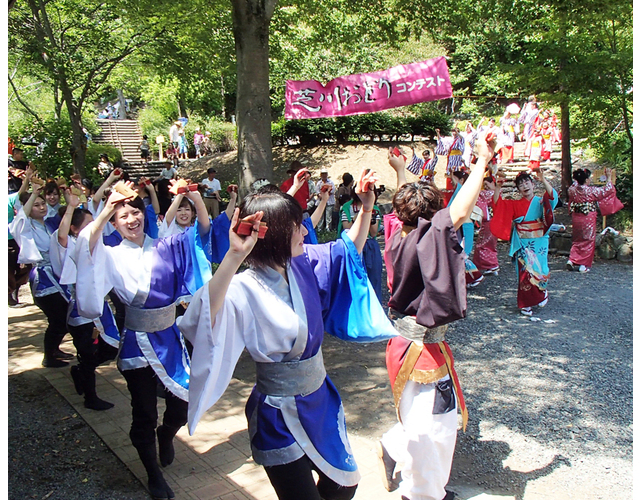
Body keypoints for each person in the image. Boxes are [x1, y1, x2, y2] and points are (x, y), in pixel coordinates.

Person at [179, 169, 396, 500]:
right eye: (295, 226)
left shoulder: (302, 262)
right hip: (277, 412)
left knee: (345, 485)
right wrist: (234, 256)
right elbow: (198, 319)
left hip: (318, 399)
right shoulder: (243, 286)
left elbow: (345, 248)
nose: (303, 230)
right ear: (276, 235)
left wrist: (366, 208)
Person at [72, 180, 230, 499]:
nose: (132, 219)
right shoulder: (109, 253)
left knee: (182, 405)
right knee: (143, 410)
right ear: (114, 224)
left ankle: (167, 433)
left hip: (171, 339)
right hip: (137, 345)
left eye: (135, 212)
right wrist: (105, 209)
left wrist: (194, 196)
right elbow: (84, 248)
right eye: (123, 216)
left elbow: (202, 232)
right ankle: (153, 473)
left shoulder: (166, 245)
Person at [377, 136, 494, 500]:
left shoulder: (397, 234)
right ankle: (423, 493)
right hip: (422, 350)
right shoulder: (428, 237)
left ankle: (392, 448)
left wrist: (400, 173)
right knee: (436, 425)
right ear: (432, 218)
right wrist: (482, 162)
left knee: (419, 418)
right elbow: (458, 212)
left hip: (404, 343)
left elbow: (406, 210)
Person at [51, 190, 119, 410]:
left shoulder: (98, 247)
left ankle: (81, 370)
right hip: (81, 313)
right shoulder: (69, 245)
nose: (95, 227)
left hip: (100, 309)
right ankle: (90, 396)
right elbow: (61, 236)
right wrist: (71, 207)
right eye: (90, 224)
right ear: (74, 228)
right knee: (87, 353)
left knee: (110, 348)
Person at [9, 179, 72, 367]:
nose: (42, 207)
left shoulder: (48, 223)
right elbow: (21, 216)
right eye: (37, 205)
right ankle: (49, 356)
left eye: (43, 203)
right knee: (57, 317)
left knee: (65, 315)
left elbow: (67, 217)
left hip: (57, 274)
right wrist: (34, 193)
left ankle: (54, 349)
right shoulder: (25, 227)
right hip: (42, 277)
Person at [490, 170, 558, 316]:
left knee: (540, 270)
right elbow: (497, 205)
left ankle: (541, 293)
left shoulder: (541, 201)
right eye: (521, 184)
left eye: (527, 182)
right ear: (518, 189)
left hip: (539, 241)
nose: (524, 186)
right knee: (525, 274)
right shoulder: (515, 204)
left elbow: (553, 198)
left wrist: (543, 179)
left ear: (533, 184)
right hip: (522, 243)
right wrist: (497, 188)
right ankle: (526, 304)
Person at [566, 168, 618, 273]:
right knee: (588, 240)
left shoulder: (572, 189)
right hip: (587, 217)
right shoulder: (590, 191)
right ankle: (583, 265)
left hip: (576, 217)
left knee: (577, 239)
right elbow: (607, 190)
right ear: (586, 180)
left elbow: (575, 185)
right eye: (588, 178)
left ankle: (572, 260)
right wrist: (608, 177)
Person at [337, 188, 383, 303]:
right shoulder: (347, 208)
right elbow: (346, 230)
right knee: (352, 278)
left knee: (374, 277)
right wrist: (359, 217)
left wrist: (370, 218)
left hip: (369, 245)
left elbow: (373, 233)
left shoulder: (375, 209)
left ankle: (374, 305)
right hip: (351, 246)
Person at [159, 181, 236, 239]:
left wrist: (233, 199)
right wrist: (180, 193)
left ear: (193, 213)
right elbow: (168, 218)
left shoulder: (197, 231)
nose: (183, 213)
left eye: (187, 209)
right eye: (179, 210)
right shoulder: (171, 229)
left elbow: (222, 220)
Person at [449, 171, 484, 288]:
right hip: (464, 226)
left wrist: (454, 177)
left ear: (461, 181)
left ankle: (476, 276)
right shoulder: (468, 192)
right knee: (460, 252)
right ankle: (467, 278)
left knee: (462, 253)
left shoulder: (463, 192)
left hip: (464, 226)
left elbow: (457, 187)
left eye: (454, 180)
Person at [8, 165, 34, 306]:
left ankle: (13, 291)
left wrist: (27, 179)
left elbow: (20, 194)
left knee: (24, 268)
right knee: (7, 270)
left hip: (14, 240)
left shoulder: (8, 199)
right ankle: (10, 296)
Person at [472, 175, 500, 275]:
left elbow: (478, 197)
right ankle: (489, 265)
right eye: (484, 185)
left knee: (483, 244)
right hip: (497, 221)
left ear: (493, 183)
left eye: (487, 184)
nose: (486, 187)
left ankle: (490, 265)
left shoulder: (487, 194)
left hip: (489, 222)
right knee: (491, 244)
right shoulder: (498, 193)